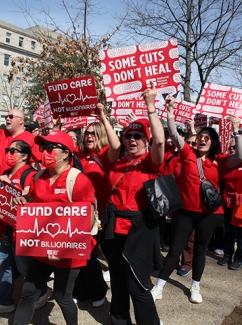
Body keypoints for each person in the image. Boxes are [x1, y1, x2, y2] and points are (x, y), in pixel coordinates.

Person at [151, 97, 242, 304]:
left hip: (209, 215)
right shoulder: (187, 153)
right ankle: (159, 287)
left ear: (214, 142)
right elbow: (173, 133)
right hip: (185, 211)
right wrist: (171, 109)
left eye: (207, 137)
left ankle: (195, 286)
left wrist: (236, 128)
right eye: (200, 136)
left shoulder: (220, 161)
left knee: (200, 251)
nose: (202, 139)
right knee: (175, 250)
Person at [13, 130, 96, 325]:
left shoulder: (78, 180)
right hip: (42, 247)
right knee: (28, 292)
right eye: (43, 147)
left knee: (62, 296)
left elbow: (88, 218)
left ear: (66, 153)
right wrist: (24, 199)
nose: (44, 152)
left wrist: (65, 248)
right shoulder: (39, 175)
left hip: (68, 251)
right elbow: (34, 200)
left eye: (50, 148)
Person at [102, 83, 164, 325]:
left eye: (138, 136)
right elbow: (113, 145)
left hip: (139, 230)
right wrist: (102, 117)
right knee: (117, 282)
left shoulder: (151, 162)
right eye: (128, 135)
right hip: (113, 227)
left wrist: (151, 106)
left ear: (145, 140)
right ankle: (119, 321)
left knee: (137, 285)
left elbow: (159, 143)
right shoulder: (119, 162)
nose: (132, 140)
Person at [0, 99, 41, 276]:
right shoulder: (0, 134)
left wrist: (26, 190)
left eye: (11, 116)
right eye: (6, 116)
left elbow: (35, 167)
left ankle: (17, 268)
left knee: (13, 233)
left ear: (21, 120)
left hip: (15, 193)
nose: (7, 118)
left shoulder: (31, 139)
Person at [0, 140, 43, 315]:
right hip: (4, 230)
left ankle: (42, 290)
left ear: (24, 156)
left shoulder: (30, 175)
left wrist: (9, 184)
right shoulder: (5, 173)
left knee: (25, 268)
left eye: (13, 151)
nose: (9, 154)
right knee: (3, 264)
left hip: (21, 233)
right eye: (7, 150)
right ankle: (4, 301)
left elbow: (29, 201)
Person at [73, 103, 121, 307]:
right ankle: (82, 291)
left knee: (89, 253)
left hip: (97, 215)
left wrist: (103, 117)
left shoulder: (104, 157)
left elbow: (117, 147)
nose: (89, 136)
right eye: (86, 133)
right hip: (75, 212)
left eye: (93, 133)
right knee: (78, 252)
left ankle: (98, 290)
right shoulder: (78, 154)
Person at [218, 137, 242, 270]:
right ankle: (227, 254)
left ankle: (239, 258)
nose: (234, 149)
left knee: (241, 233)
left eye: (236, 146)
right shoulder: (228, 162)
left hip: (241, 203)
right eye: (232, 147)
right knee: (228, 230)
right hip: (228, 201)